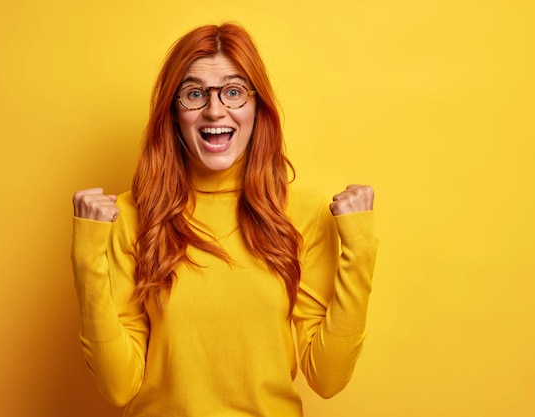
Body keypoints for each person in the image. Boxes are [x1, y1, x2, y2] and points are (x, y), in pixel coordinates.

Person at [71, 22, 377, 417]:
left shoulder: (305, 213)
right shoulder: (130, 216)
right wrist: (86, 255)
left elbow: (327, 377)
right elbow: (117, 387)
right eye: (195, 94)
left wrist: (362, 247)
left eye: (233, 92)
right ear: (173, 111)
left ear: (256, 106)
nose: (215, 110)